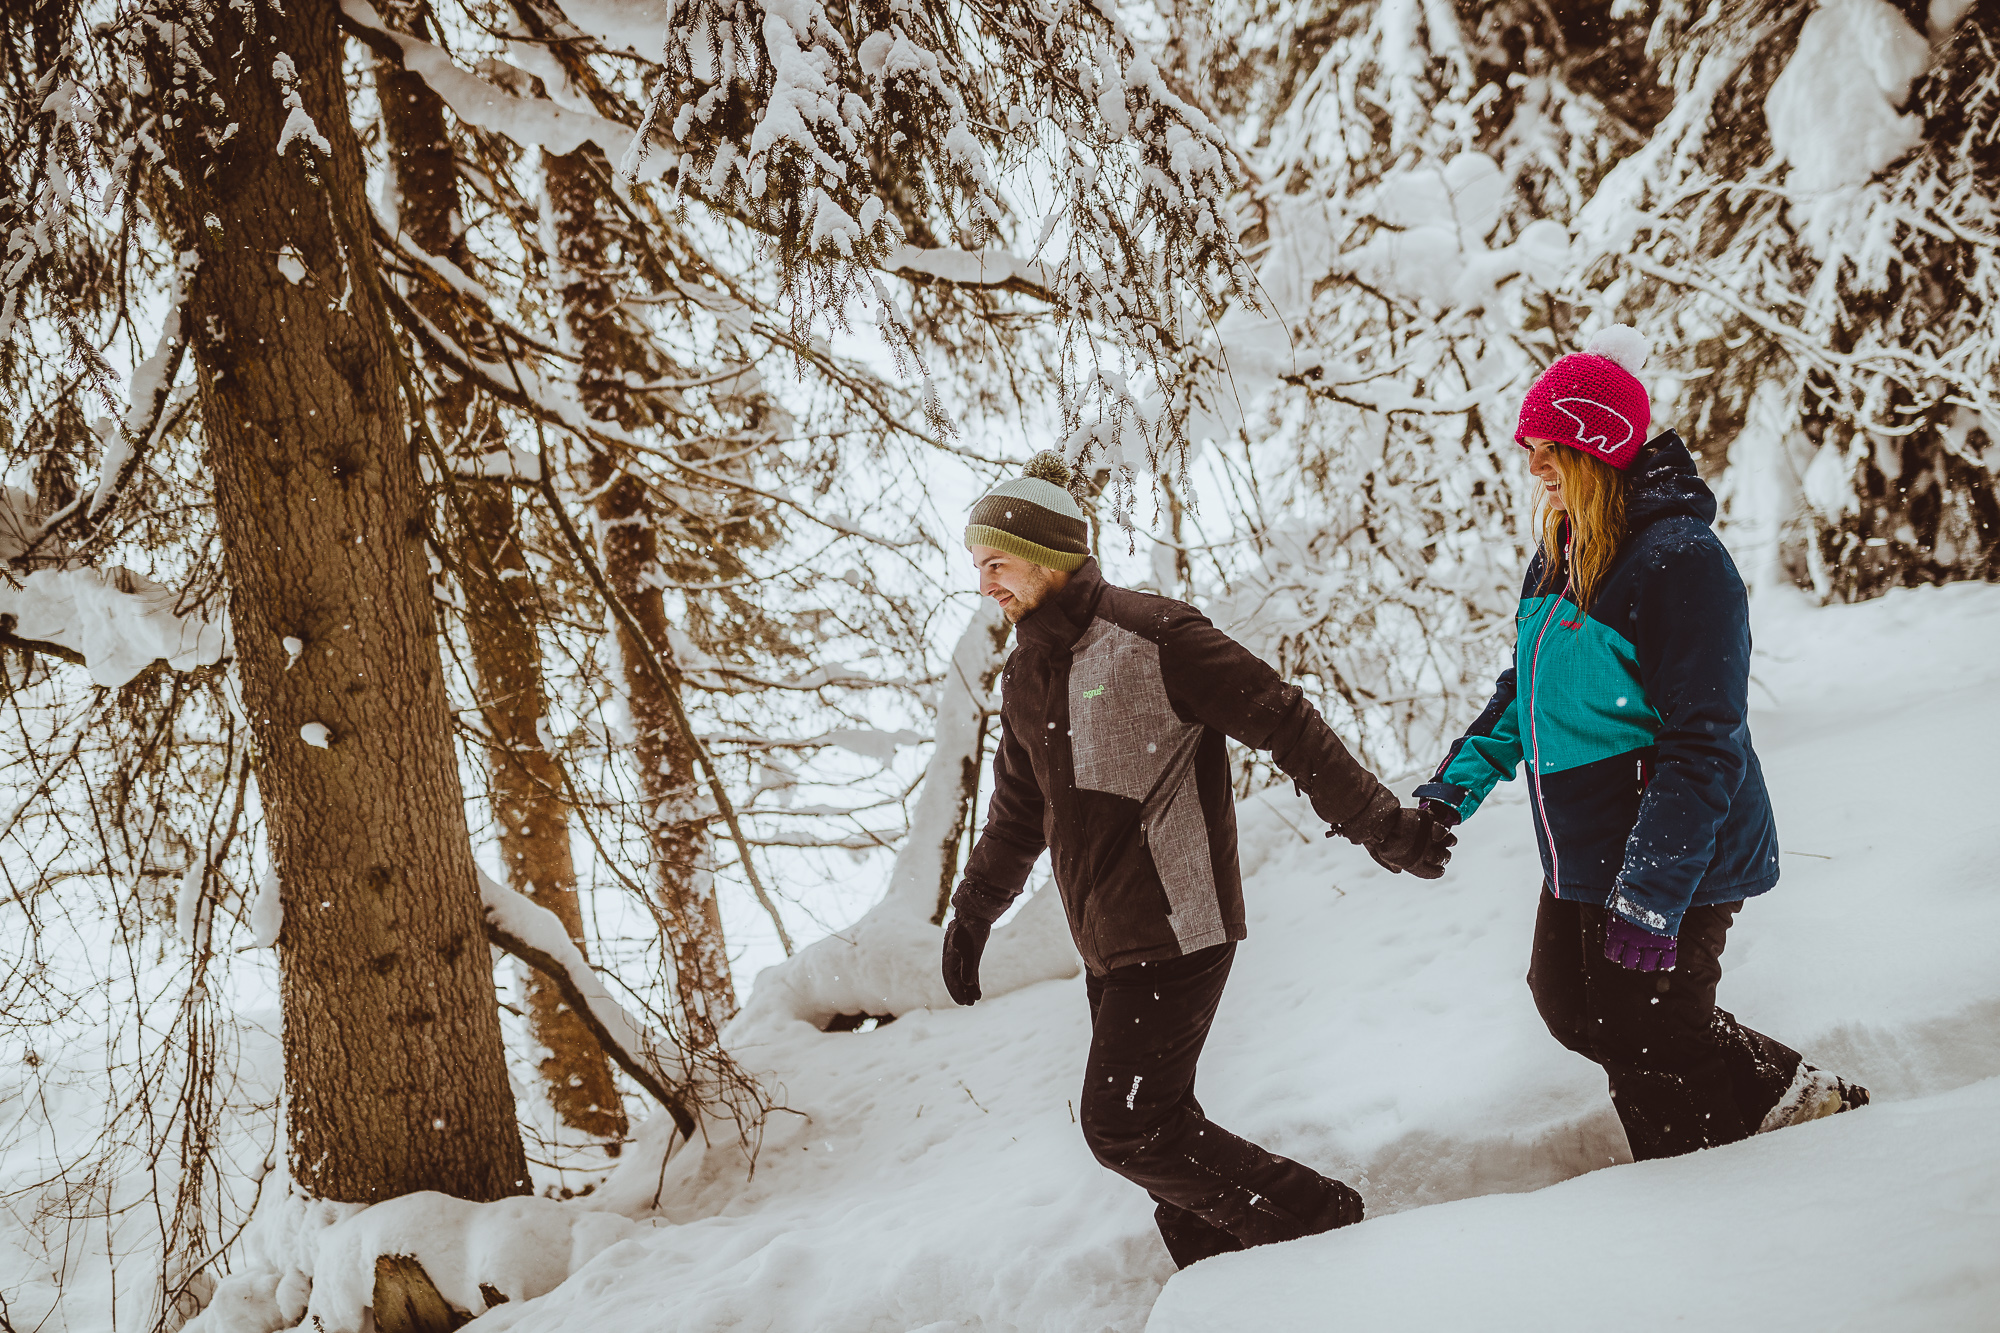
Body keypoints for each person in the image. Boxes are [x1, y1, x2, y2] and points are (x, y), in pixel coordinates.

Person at [940, 450, 1455, 1269]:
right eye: (976, 566)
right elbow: (1017, 811)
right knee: (1159, 1126)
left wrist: (1381, 825)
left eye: (994, 563)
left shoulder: (1156, 635)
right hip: (1107, 940)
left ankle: (1323, 1227)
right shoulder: (1027, 675)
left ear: (1046, 555)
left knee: (1123, 1125)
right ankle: (1227, 1282)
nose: (983, 584)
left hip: (1180, 922)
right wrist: (973, 910)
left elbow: (1284, 720)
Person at [1414, 326, 1868, 1164]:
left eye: (1548, 448)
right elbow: (1527, 691)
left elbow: (1705, 744)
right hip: (1590, 846)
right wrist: (1453, 787)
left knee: (1642, 1034)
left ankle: (1705, 1196)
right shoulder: (1562, 552)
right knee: (1571, 1004)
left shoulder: (1679, 561)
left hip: (1679, 846)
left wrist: (1652, 891)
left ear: (1594, 447)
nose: (1534, 467)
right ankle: (1792, 1095)